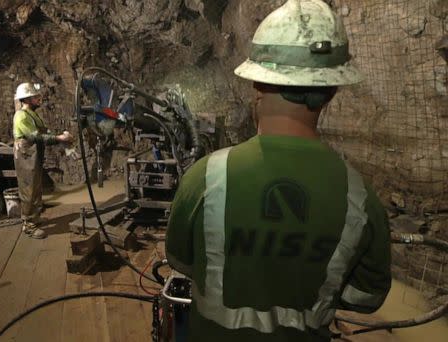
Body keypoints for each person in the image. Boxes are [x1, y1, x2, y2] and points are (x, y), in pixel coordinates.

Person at [165, 0, 392, 341]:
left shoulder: (205, 178)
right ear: (331, 91)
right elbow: (367, 298)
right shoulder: (360, 199)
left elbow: (181, 263)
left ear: (257, 84)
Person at [13, 82, 73, 239]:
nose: (38, 98)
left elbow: (42, 132)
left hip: (33, 153)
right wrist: (59, 138)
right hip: (26, 153)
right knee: (28, 189)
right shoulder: (21, 116)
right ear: (26, 99)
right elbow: (35, 136)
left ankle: (34, 217)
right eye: (35, 96)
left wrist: (59, 137)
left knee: (36, 187)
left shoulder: (32, 114)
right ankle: (28, 225)